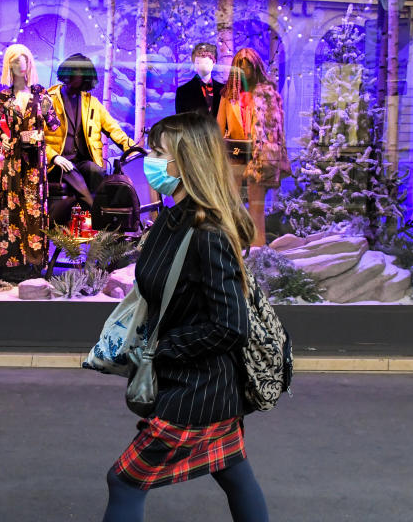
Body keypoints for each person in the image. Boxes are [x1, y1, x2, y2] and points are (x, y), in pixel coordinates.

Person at [102, 111, 269, 522]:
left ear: (188, 162)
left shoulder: (208, 234)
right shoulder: (170, 219)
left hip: (199, 391)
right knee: (232, 472)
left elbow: (231, 325)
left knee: (125, 480)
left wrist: (163, 349)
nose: (151, 162)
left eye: (160, 153)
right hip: (194, 385)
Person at [0, 44, 60, 282]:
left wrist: (42, 135)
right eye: (16, 61)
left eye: (24, 60)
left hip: (36, 162)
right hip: (13, 160)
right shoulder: (4, 97)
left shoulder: (41, 94)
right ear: (10, 65)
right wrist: (4, 138)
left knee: (34, 208)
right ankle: (10, 265)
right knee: (11, 209)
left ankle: (35, 263)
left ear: (29, 64)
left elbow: (55, 124)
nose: (21, 65)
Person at [44, 53, 134, 225]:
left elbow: (113, 129)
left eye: (84, 75)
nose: (80, 79)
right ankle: (101, 219)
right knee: (75, 176)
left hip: (82, 160)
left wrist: (132, 149)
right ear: (69, 73)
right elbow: (38, 136)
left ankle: (112, 220)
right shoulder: (49, 100)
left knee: (96, 171)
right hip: (59, 162)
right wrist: (54, 156)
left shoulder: (92, 103)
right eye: (78, 73)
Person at [216, 48, 290, 246]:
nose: (244, 72)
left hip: (259, 157)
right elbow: (218, 127)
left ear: (255, 67)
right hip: (234, 156)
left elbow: (276, 130)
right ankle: (231, 247)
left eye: (248, 67)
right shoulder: (228, 95)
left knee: (256, 207)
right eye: (241, 68)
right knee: (231, 205)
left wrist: (273, 154)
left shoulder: (267, 95)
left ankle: (257, 249)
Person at [175, 42, 223, 117]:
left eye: (206, 63)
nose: (202, 67)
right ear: (194, 64)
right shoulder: (183, 91)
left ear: (214, 62)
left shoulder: (223, 90)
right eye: (198, 63)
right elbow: (182, 123)